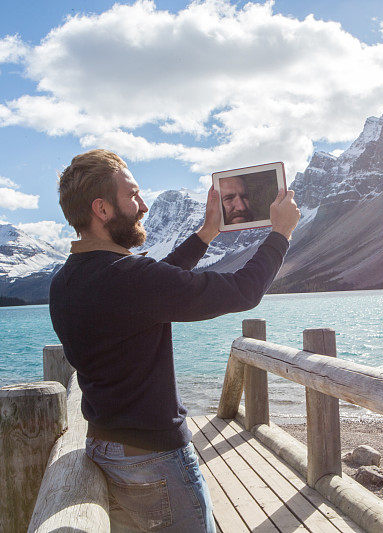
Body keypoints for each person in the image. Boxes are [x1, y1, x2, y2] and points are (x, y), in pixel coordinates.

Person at [48, 149, 300, 532]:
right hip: (154, 459)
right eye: (132, 195)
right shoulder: (131, 279)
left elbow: (156, 284)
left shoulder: (66, 280)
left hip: (106, 447)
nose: (144, 205)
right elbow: (243, 290)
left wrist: (206, 233)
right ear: (102, 209)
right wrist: (281, 233)